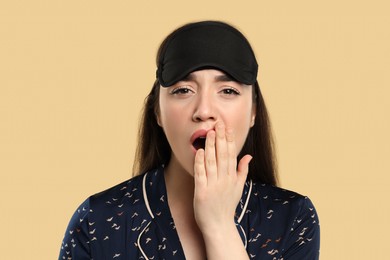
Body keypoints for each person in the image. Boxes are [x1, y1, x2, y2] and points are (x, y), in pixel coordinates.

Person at [59, 21, 320, 260]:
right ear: (157, 112)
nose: (204, 110)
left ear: (253, 112)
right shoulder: (97, 220)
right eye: (183, 90)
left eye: (227, 90)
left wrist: (218, 224)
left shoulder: (292, 219)